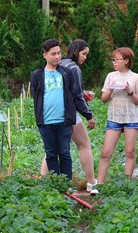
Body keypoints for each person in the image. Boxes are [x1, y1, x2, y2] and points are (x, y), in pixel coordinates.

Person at [40, 40, 98, 194]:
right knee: (84, 144)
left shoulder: (57, 66)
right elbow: (77, 96)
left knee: (52, 149)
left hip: (51, 114)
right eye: (83, 53)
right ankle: (92, 183)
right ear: (75, 51)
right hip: (69, 113)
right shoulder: (74, 68)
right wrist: (89, 116)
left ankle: (43, 181)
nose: (85, 57)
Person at [96, 47, 138, 186]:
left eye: (117, 59)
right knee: (105, 152)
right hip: (114, 118)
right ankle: (99, 184)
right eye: (113, 59)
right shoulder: (111, 76)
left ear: (126, 61)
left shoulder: (136, 78)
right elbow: (104, 99)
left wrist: (130, 92)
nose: (114, 62)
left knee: (130, 152)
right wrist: (111, 88)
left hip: (131, 118)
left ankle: (126, 183)